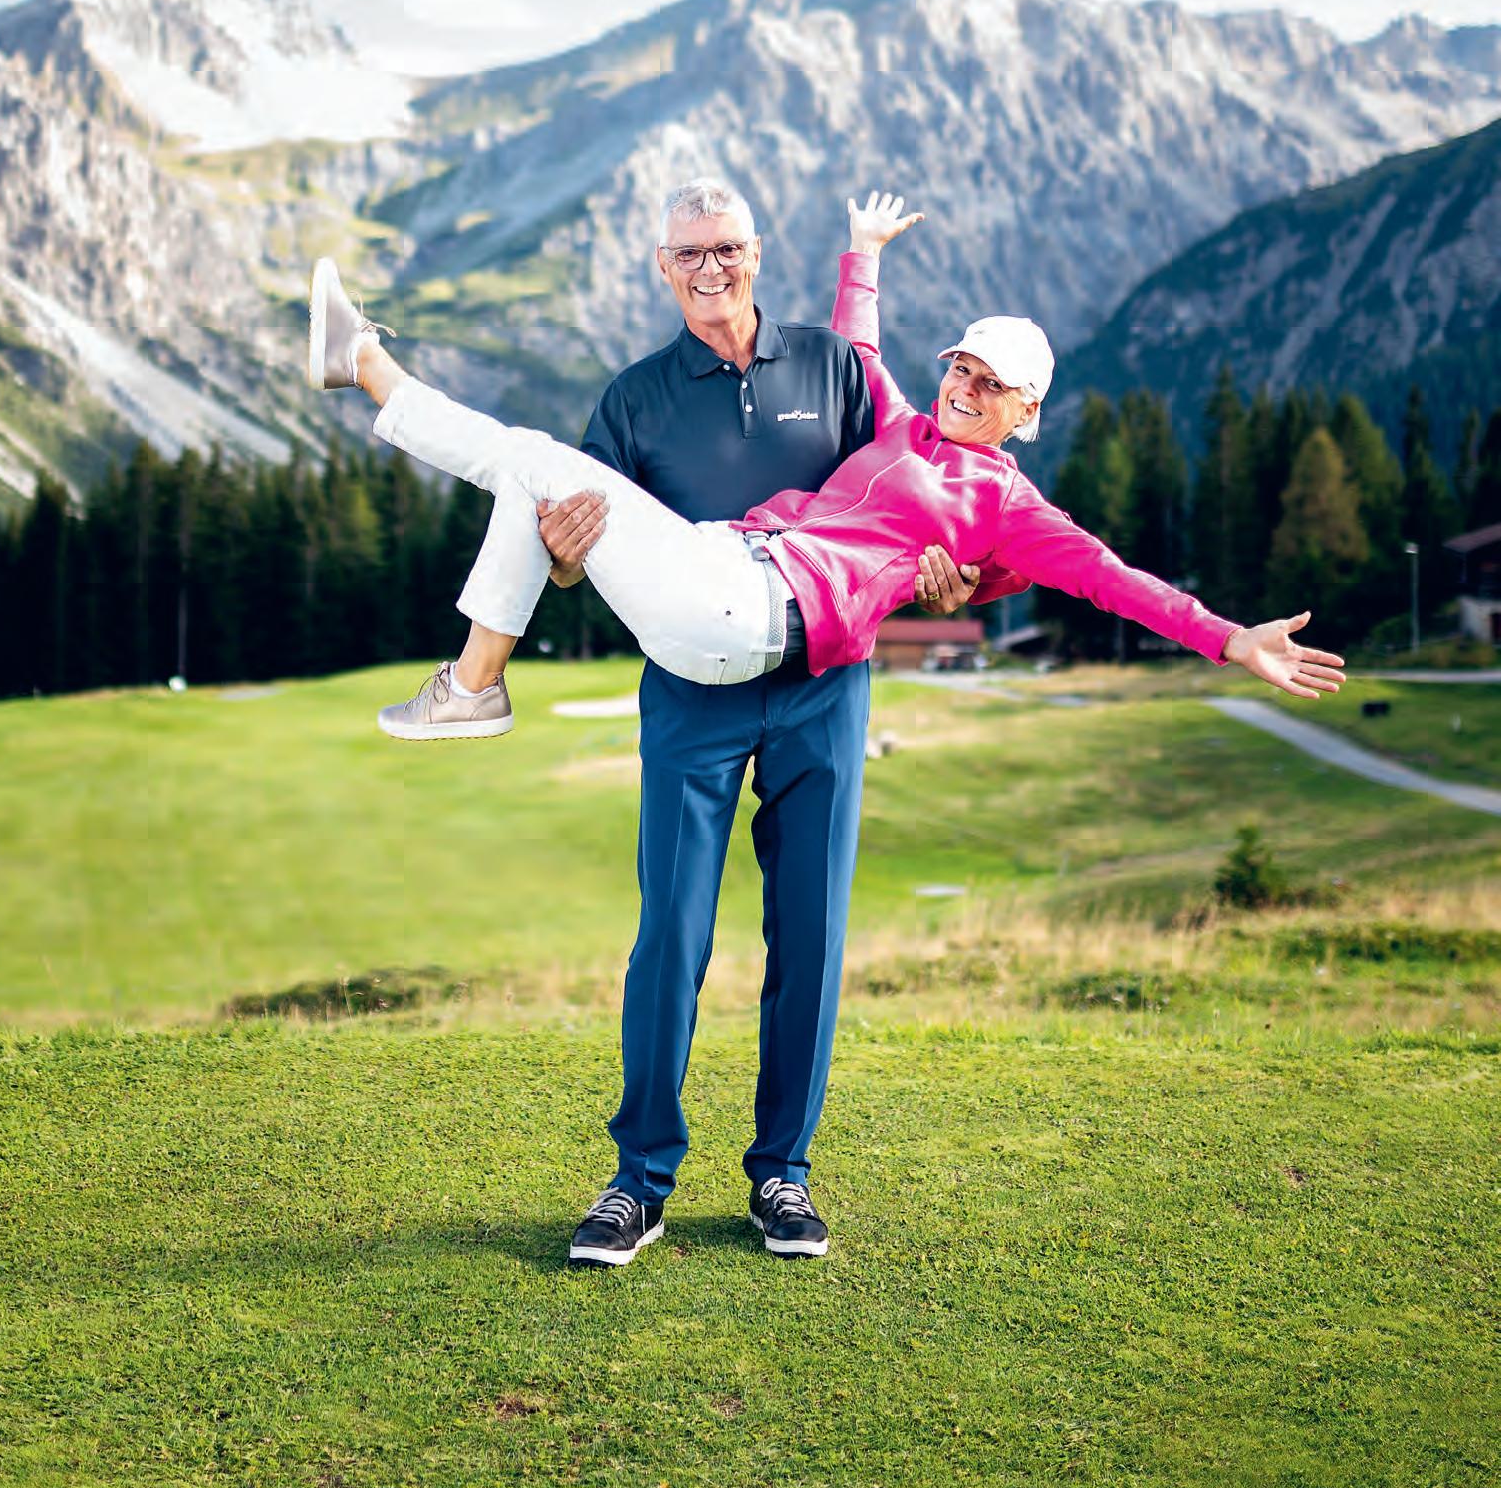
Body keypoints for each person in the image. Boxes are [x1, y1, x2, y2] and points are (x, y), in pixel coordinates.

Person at [306, 187, 1344, 1259]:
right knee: (667, 929)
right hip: (716, 605)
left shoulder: (1007, 505)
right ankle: (637, 1181)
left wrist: (1230, 639)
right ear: (663, 265)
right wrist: (863, 253)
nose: (965, 387)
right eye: (960, 367)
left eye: (991, 384)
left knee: (808, 935)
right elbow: (862, 348)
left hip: (790, 641)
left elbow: (1113, 579)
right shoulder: (870, 416)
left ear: (1026, 412)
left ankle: (782, 1177)